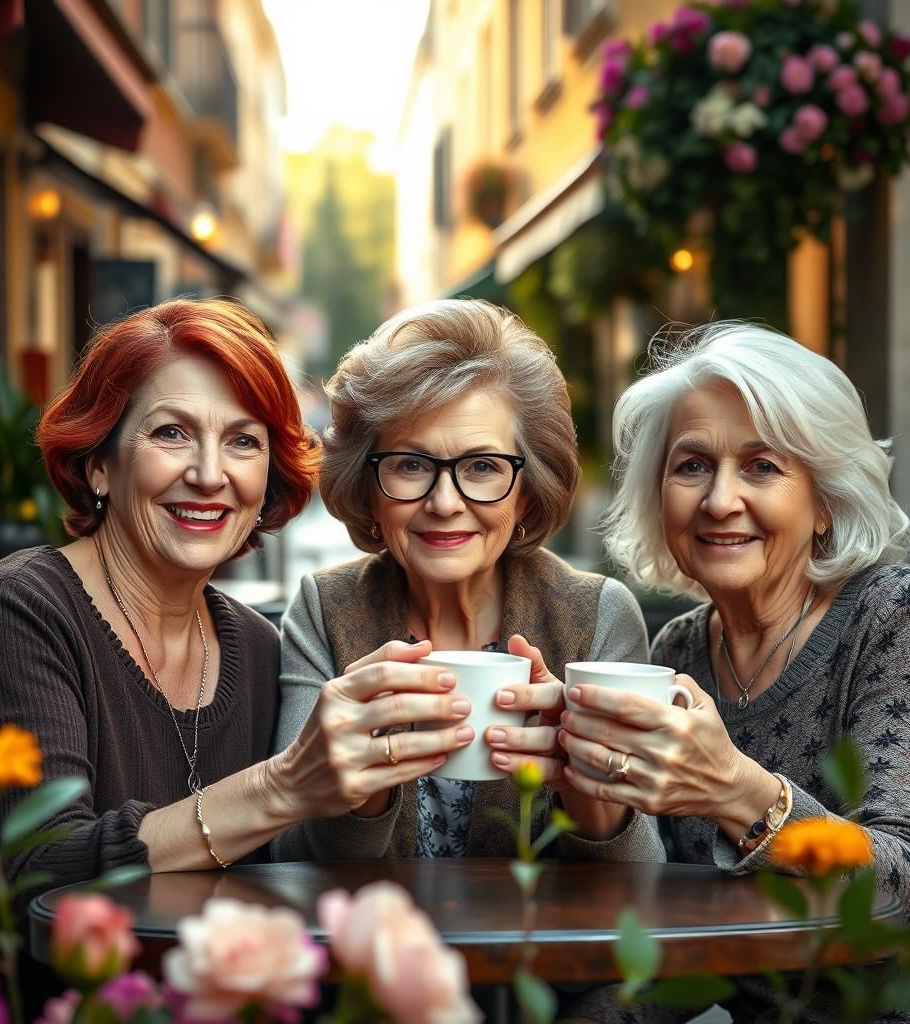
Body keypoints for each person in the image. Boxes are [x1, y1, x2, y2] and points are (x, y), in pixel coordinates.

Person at [0, 298, 483, 926]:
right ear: (98, 464)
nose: (208, 474)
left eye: (242, 442)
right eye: (170, 433)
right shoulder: (18, 610)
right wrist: (283, 785)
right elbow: (40, 874)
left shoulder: (256, 646)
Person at [560, 322, 910, 1022]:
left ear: (826, 501)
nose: (720, 500)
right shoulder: (677, 655)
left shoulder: (903, 612)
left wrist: (736, 789)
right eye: (692, 466)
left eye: (762, 467)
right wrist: (585, 786)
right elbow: (680, 938)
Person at [273, 299, 665, 862]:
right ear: (368, 487)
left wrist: (584, 787)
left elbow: (643, 879)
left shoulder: (599, 614)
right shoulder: (324, 609)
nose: (444, 503)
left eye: (482, 467)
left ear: (527, 490)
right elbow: (287, 858)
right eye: (410, 465)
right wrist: (359, 790)